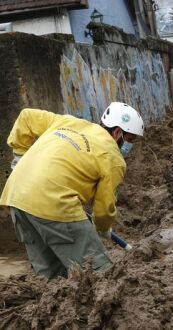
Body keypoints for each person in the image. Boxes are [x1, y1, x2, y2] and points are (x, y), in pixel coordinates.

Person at [1, 102, 144, 279]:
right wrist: (103, 227)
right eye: (130, 139)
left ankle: (52, 304)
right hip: (56, 205)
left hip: (16, 197)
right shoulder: (113, 157)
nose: (129, 145)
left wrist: (19, 156)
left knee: (50, 276)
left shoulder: (68, 122)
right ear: (117, 132)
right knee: (99, 273)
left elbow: (27, 117)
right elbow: (104, 208)